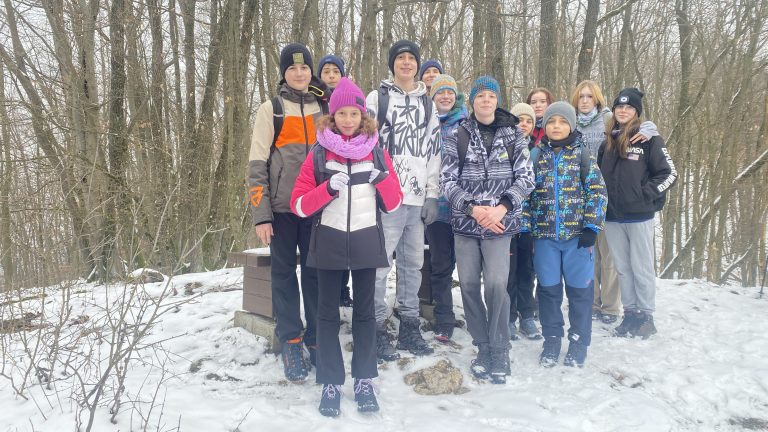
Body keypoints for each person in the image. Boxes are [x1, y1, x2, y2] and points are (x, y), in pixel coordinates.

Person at [291, 78, 403, 417]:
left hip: (368, 239)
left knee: (366, 313)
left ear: (363, 116)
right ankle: (330, 381)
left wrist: (382, 181)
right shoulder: (319, 153)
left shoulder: (378, 152)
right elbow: (298, 205)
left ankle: (365, 379)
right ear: (333, 115)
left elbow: (395, 204)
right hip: (328, 241)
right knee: (326, 315)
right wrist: (326, 190)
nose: (349, 119)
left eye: (355, 113)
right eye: (342, 113)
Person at [441, 76, 534, 383]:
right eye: (480, 95)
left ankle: (499, 347)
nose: (485, 100)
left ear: (497, 100)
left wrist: (501, 208)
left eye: (490, 96)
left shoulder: (514, 135)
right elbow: (447, 181)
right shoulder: (457, 134)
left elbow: (526, 178)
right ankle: (482, 346)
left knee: (496, 284)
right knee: (468, 285)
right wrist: (473, 209)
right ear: (472, 101)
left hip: (500, 224)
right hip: (466, 224)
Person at [247, 43, 328, 382]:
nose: (299, 73)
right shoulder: (272, 109)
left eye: (305, 68)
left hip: (317, 209)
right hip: (280, 210)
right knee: (283, 276)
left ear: (311, 71)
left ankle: (316, 339)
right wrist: (261, 215)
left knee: (315, 275)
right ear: (284, 72)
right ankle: (291, 340)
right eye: (293, 69)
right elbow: (256, 165)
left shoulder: (325, 107)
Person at [366, 40, 441, 361]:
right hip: (385, 196)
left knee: (413, 264)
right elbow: (365, 144)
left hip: (417, 198)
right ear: (392, 64)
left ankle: (409, 323)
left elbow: (434, 151)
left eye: (412, 58)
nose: (407, 63)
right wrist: (373, 185)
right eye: (401, 58)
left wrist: (433, 194)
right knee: (380, 263)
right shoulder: (377, 99)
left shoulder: (428, 104)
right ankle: (376, 324)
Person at [522, 101, 607, 368]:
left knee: (580, 293)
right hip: (545, 239)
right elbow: (524, 195)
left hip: (577, 240)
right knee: (548, 292)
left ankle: (579, 342)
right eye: (551, 122)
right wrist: (525, 228)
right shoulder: (535, 156)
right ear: (544, 126)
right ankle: (552, 340)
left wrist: (592, 228)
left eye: (561, 122)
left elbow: (598, 192)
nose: (556, 126)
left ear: (570, 124)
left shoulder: (582, 155)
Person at [569, 80, 659, 324]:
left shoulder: (614, 124)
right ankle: (598, 304)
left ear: (598, 100)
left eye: (590, 96)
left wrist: (645, 194)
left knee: (615, 259)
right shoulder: (572, 123)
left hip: (624, 206)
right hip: (583, 198)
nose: (585, 100)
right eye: (581, 97)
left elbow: (662, 170)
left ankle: (614, 307)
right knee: (594, 256)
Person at [598, 88, 677, 339]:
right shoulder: (606, 143)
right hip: (613, 217)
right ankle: (630, 313)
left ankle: (646, 316)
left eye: (629, 107)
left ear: (636, 112)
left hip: (640, 215)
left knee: (641, 267)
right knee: (622, 268)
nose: (623, 111)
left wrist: (646, 193)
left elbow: (670, 175)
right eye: (619, 107)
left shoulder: (650, 140)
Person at [427, 74, 467, 342]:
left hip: (464, 208)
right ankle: (443, 317)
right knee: (440, 265)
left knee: (466, 267)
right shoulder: (426, 123)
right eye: (440, 93)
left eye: (449, 93)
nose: (445, 97)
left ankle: (475, 314)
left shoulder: (467, 123)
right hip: (436, 209)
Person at [317, 53, 353, 307]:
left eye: (335, 71)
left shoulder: (350, 100)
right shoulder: (315, 101)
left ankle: (343, 289)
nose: (331, 76)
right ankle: (328, 292)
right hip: (323, 171)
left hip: (348, 172)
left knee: (349, 237)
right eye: (326, 71)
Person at [506, 103, 541, 341]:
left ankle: (527, 315)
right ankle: (508, 317)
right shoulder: (504, 147)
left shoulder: (539, 151)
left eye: (528, 121)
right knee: (507, 272)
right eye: (519, 120)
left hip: (530, 222)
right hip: (506, 220)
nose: (524, 125)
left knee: (527, 271)